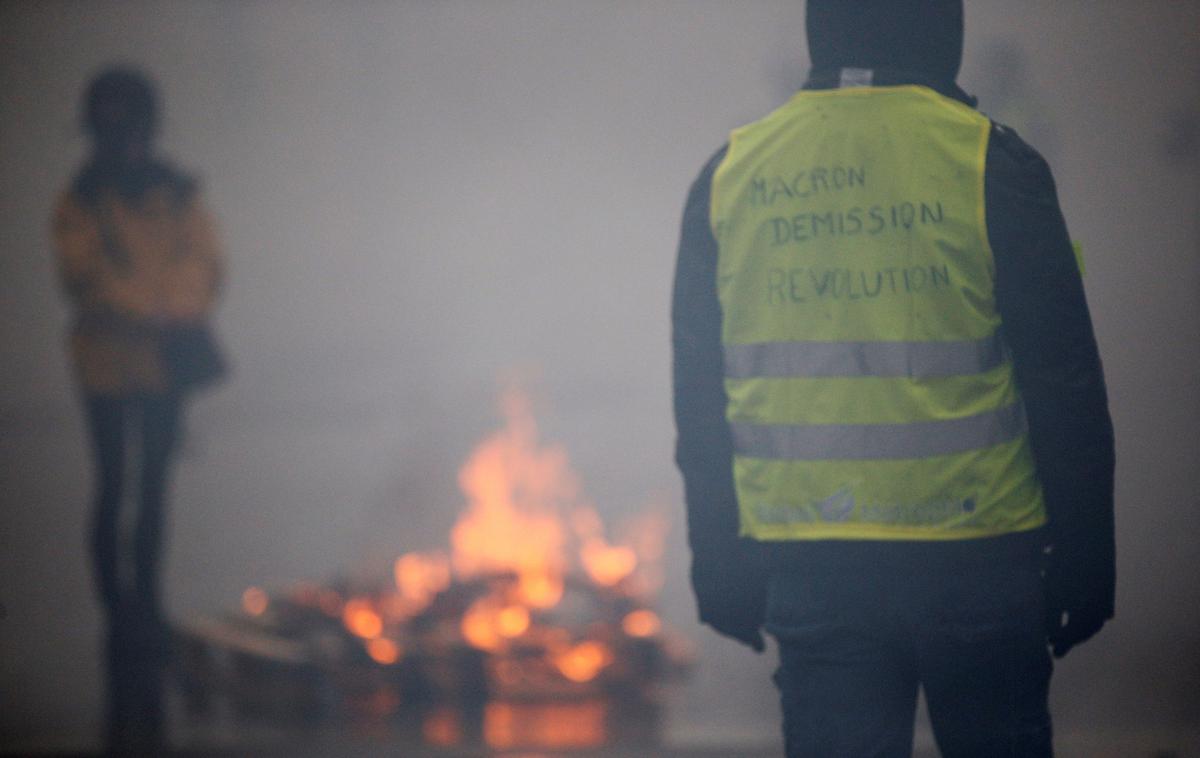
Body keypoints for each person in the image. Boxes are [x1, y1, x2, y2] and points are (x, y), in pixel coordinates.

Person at [670, 2, 1114, 756]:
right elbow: (1062, 381)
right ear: (944, 27)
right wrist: (1085, 556)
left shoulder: (731, 176)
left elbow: (703, 399)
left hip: (816, 569)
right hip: (980, 560)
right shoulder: (991, 164)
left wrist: (720, 567)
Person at [52, 66, 224, 753]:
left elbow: (206, 261)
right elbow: (80, 275)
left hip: (163, 363)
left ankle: (145, 605)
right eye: (112, 126)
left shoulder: (178, 193)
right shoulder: (81, 200)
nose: (123, 138)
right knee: (112, 484)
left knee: (154, 485)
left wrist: (173, 308)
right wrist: (143, 310)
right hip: (104, 361)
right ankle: (116, 613)